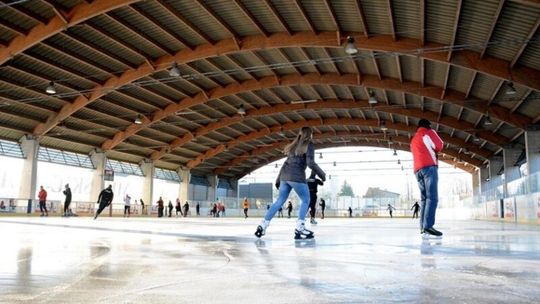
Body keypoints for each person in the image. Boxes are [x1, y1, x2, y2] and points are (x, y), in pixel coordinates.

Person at [254, 127, 325, 240]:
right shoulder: (309, 144)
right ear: (310, 135)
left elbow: (285, 163)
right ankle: (300, 228)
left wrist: (278, 179)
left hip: (284, 177)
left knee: (279, 201)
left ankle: (263, 225)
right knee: (306, 200)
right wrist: (322, 174)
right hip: (296, 176)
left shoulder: (293, 146)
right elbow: (310, 163)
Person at [411, 118, 444, 238]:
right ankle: (428, 226)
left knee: (424, 199)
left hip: (417, 170)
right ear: (428, 125)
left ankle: (423, 228)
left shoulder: (414, 139)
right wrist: (432, 132)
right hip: (429, 168)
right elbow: (439, 145)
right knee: (432, 197)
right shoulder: (428, 132)